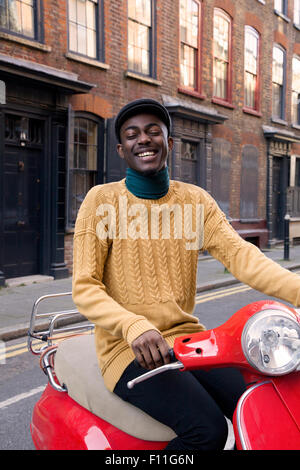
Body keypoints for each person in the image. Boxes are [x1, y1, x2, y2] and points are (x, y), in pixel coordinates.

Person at [72, 98, 300, 450]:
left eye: (153, 132)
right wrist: (134, 325)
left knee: (264, 407)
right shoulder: (100, 201)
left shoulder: (196, 201)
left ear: (170, 143)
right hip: (129, 350)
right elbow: (85, 287)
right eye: (132, 135)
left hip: (189, 342)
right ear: (122, 149)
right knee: (206, 430)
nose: (143, 140)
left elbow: (243, 257)